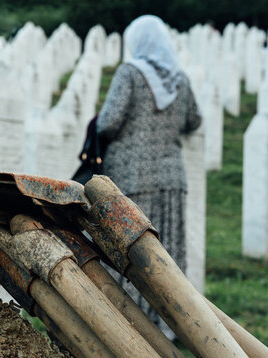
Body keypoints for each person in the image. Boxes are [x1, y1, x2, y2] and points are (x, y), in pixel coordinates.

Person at [96, 15, 202, 339]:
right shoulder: (179, 81)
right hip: (171, 178)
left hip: (131, 178)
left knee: (130, 253)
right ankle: (168, 327)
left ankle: (129, 326)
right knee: (167, 253)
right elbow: (194, 120)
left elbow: (108, 122)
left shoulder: (129, 73)